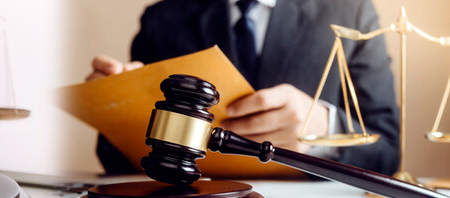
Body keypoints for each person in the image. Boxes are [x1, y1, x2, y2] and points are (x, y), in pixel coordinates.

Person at [88, 0, 399, 176]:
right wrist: (114, 104)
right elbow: (113, 159)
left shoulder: (351, 13)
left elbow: (387, 153)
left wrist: (326, 128)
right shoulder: (163, 19)